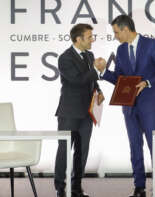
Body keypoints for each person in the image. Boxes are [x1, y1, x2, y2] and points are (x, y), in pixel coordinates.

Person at [95, 15, 155, 197]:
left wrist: (147, 82)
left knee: (154, 145)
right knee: (134, 146)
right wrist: (104, 71)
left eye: (116, 32)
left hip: (150, 104)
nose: (115, 36)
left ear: (125, 29)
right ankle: (139, 187)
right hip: (129, 107)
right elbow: (121, 80)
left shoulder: (151, 45)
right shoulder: (121, 50)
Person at [54, 23, 105, 197]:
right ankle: (60, 188)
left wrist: (99, 91)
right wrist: (96, 70)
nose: (93, 40)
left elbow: (90, 81)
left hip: (87, 113)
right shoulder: (65, 58)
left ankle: (76, 188)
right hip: (69, 112)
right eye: (90, 37)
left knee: (82, 151)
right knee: (64, 150)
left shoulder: (89, 55)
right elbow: (77, 81)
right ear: (78, 39)